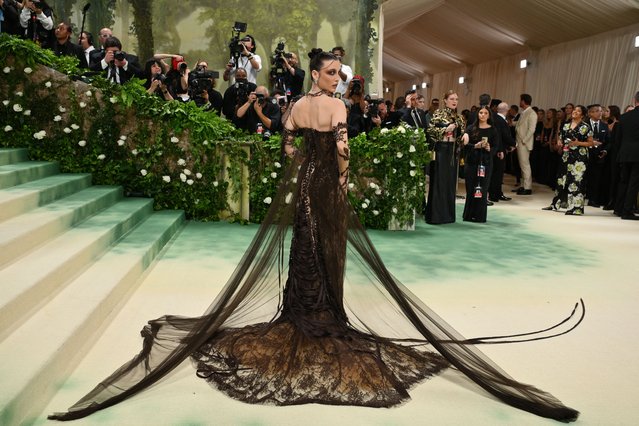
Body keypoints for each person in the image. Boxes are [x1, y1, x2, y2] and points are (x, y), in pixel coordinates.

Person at [49, 49, 581, 424]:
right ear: (319, 74)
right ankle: (321, 311)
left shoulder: (295, 107)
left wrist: (305, 167)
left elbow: (285, 151)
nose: (337, 79)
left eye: (338, 73)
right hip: (325, 184)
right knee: (323, 245)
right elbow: (344, 152)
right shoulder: (336, 109)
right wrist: (342, 181)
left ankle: (304, 307)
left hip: (302, 181)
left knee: (305, 244)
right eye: (331, 72)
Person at [542, 105, 597, 215]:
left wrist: (578, 143)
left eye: (578, 111)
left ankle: (576, 208)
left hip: (579, 158)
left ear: (582, 114)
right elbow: (561, 138)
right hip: (566, 156)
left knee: (576, 181)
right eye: (574, 110)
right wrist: (559, 142)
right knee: (561, 179)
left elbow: (591, 143)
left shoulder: (586, 126)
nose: (574, 112)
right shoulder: (566, 125)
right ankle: (555, 204)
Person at [425, 90, 469, 224]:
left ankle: (448, 216)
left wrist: (464, 136)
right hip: (441, 150)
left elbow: (461, 134)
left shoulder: (460, 117)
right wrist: (445, 129)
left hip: (453, 151)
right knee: (439, 181)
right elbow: (430, 131)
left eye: (456, 99)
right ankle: (436, 216)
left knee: (450, 183)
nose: (454, 101)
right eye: (451, 99)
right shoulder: (438, 113)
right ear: (445, 100)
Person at [462, 106, 497, 222]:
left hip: (486, 163)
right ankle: (468, 215)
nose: (483, 115)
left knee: (483, 188)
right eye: (481, 112)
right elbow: (465, 145)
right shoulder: (471, 128)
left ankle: (479, 216)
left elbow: (496, 147)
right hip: (472, 161)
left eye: (485, 113)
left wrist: (489, 148)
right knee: (471, 188)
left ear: (489, 115)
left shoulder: (493, 130)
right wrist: (475, 146)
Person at [613, 91, 639, 220]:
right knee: (634, 183)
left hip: (624, 153)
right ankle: (627, 211)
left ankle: (618, 208)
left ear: (635, 100)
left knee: (623, 181)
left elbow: (618, 139)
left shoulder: (624, 117)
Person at [514, 94, 536, 195]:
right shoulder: (524, 112)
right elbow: (519, 124)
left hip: (524, 143)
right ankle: (523, 185)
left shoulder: (532, 113)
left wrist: (524, 140)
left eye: (520, 100)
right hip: (519, 142)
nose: (519, 102)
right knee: (522, 165)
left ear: (523, 101)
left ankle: (528, 187)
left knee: (525, 165)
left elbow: (531, 129)